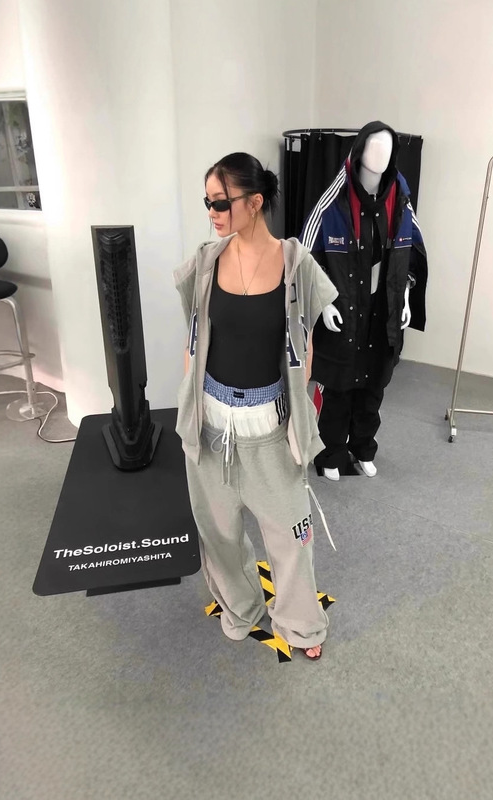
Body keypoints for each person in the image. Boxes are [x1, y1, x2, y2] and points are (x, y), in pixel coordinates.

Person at [174, 152, 338, 660]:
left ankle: (300, 623)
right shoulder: (206, 261)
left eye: (221, 203)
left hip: (268, 425)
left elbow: (305, 344)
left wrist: (296, 408)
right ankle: (241, 605)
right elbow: (195, 338)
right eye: (207, 202)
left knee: (290, 532)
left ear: (255, 202)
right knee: (218, 531)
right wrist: (188, 409)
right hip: (211, 422)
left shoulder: (295, 264)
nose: (212, 213)